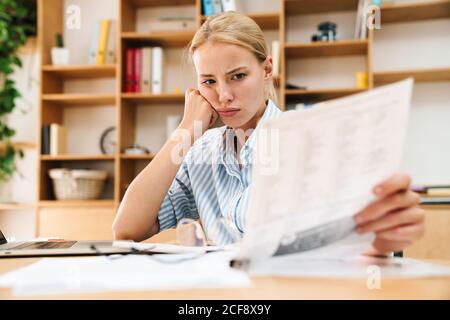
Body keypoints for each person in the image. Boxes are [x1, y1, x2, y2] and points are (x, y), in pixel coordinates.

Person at [113, 12, 424, 256]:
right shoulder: (200, 151)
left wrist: (384, 239)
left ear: (266, 70)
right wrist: (184, 131)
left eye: (237, 76)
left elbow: (362, 241)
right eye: (208, 81)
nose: (223, 96)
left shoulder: (310, 139)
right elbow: (127, 230)